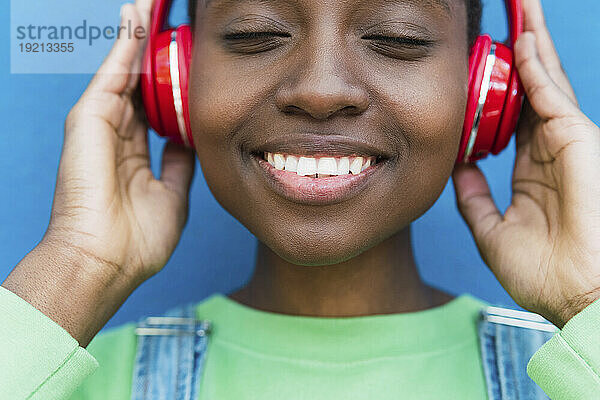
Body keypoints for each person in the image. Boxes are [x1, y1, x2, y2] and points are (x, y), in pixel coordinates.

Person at [1, 0, 599, 398]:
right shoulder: (57, 373)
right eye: (255, 34)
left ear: (484, 93)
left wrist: (590, 298)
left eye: (396, 37)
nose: (319, 89)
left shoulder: (576, 371)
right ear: (172, 80)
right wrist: (76, 269)